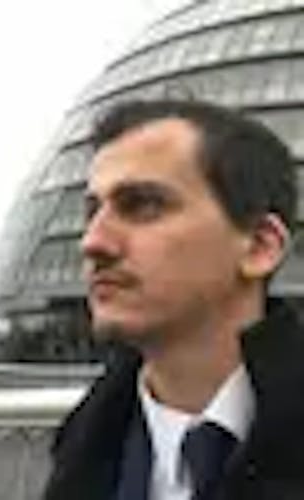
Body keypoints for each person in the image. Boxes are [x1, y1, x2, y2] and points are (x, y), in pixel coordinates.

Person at [43, 99, 304, 500]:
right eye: (92, 212)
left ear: (259, 246)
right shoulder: (80, 458)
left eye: (143, 205)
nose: (93, 242)